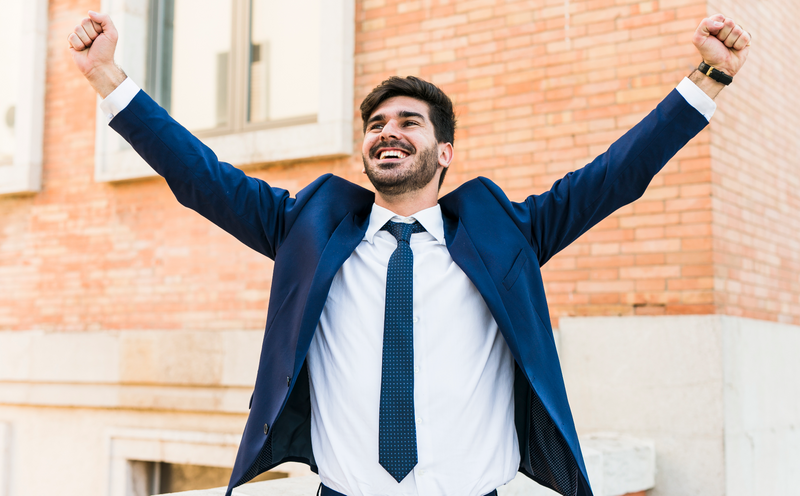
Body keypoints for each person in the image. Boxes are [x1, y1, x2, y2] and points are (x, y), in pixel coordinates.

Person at [68, 11, 750, 496]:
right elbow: (199, 175)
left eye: (408, 123)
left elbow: (615, 176)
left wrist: (707, 79)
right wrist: (108, 79)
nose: (387, 132)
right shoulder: (305, 229)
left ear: (443, 151)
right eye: (375, 124)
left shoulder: (505, 233)